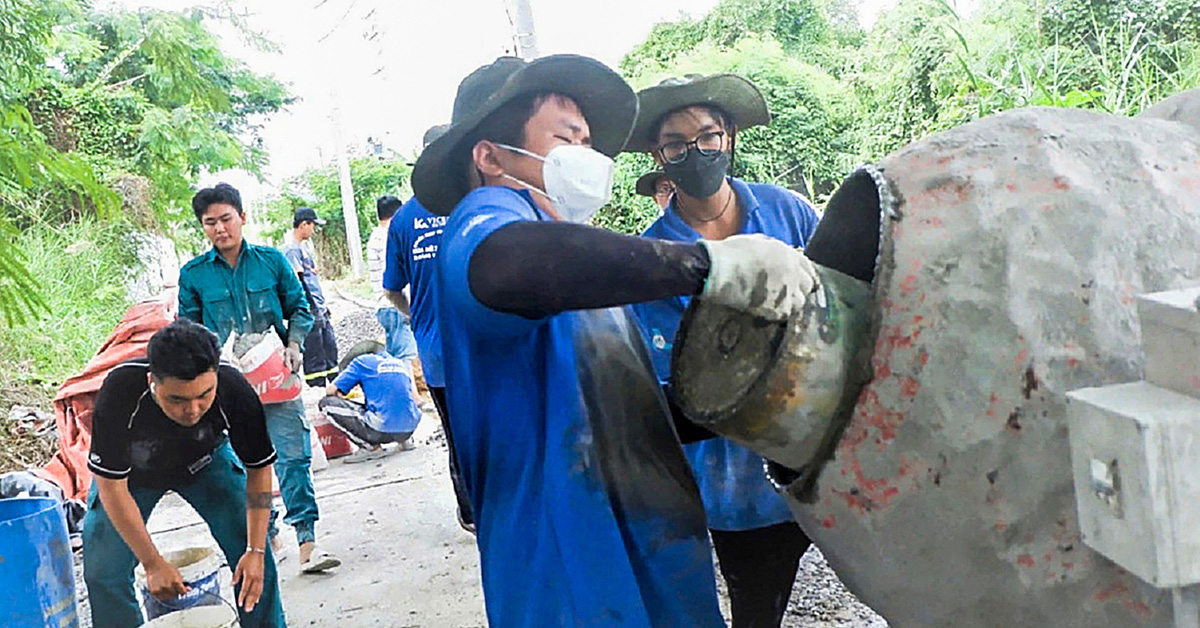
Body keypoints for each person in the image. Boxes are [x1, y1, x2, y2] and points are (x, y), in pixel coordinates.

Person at [410, 54, 819, 626]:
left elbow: (630, 417)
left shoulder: (577, 258)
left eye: (586, 138)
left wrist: (759, 393)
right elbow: (502, 264)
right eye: (566, 136)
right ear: (491, 155)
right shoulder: (489, 218)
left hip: (644, 550)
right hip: (570, 562)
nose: (584, 151)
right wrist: (707, 264)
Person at [626, 73, 821, 628]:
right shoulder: (653, 257)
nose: (695, 152)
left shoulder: (791, 215)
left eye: (707, 136)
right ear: (659, 157)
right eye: (676, 143)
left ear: (730, 137)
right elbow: (671, 385)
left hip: (820, 456)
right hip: (733, 486)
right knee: (758, 609)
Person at [82, 319, 286, 627]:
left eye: (204, 395)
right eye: (177, 399)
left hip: (206, 462)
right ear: (153, 381)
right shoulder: (120, 390)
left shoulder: (234, 390)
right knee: (103, 568)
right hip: (132, 477)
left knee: (253, 554)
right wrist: (152, 563)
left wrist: (257, 550)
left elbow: (259, 470)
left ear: (216, 376)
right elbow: (111, 488)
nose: (192, 409)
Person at [179, 183, 340, 574]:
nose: (220, 229)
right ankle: (264, 537)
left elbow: (300, 308)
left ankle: (307, 541)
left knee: (293, 456)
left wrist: (295, 344)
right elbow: (187, 330)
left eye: (226, 219)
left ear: (242, 217)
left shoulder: (271, 261)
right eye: (210, 223)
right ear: (202, 227)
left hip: (276, 376)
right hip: (229, 386)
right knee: (243, 461)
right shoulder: (194, 275)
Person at [382, 123, 474, 532]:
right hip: (480, 347)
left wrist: (414, 314)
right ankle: (493, 511)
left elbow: (391, 289)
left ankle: (473, 514)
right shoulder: (478, 202)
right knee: (494, 429)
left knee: (459, 437)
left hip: (437, 348)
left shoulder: (404, 219)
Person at [318, 341, 420, 460]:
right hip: (410, 427)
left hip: (382, 429)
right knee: (386, 402)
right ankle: (406, 441)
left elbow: (330, 391)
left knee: (326, 404)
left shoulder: (362, 361)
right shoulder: (399, 363)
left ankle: (371, 448)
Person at [280, 207, 340, 387]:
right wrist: (311, 307)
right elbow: (299, 281)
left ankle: (335, 384)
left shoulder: (303, 248)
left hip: (319, 308)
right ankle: (318, 387)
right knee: (315, 351)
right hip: (311, 309)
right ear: (304, 224)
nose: (314, 230)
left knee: (329, 347)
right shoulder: (291, 250)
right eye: (312, 225)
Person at [369, 195, 420, 361]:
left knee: (396, 359)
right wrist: (408, 311)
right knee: (408, 359)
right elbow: (394, 281)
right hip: (396, 307)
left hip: (384, 307)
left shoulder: (374, 237)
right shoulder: (388, 237)